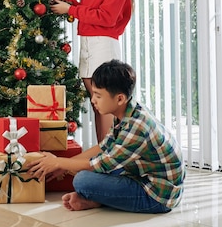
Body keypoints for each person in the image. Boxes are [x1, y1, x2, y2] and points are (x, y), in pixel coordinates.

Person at [28, 60, 185, 214]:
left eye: (98, 95)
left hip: (158, 196)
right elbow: (103, 147)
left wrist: (57, 162)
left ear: (119, 99)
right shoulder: (126, 111)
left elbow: (101, 164)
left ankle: (98, 200)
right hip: (138, 174)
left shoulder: (137, 126)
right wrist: (62, 165)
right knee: (85, 172)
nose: (93, 100)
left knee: (82, 180)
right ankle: (98, 199)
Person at [50, 0, 132, 142]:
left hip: (103, 44)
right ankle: (102, 151)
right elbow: (88, 8)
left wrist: (71, 10)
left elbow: (106, 17)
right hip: (87, 42)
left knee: (105, 104)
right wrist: (69, 1)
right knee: (97, 104)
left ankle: (108, 153)